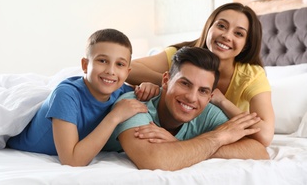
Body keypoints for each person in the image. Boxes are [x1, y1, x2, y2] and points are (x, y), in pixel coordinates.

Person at [127, 2, 274, 147]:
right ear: (209, 27)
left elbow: (265, 136)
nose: (227, 36)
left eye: (238, 33)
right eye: (221, 26)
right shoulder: (182, 56)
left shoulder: (251, 76)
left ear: (245, 45)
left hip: (214, 139)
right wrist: (170, 84)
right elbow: (128, 69)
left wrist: (222, 101)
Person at [104, 46, 269, 171]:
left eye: (203, 91)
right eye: (185, 83)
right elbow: (155, 160)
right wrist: (218, 138)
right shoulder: (134, 104)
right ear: (166, 80)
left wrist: (181, 144)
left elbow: (259, 151)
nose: (192, 97)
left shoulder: (208, 111)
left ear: (210, 97)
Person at [7, 28, 151, 167]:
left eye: (120, 64)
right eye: (102, 61)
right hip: (19, 143)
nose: (111, 71)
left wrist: (150, 88)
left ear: (127, 72)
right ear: (85, 65)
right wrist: (114, 117)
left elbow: (154, 102)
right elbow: (71, 161)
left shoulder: (123, 93)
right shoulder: (66, 95)